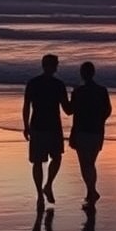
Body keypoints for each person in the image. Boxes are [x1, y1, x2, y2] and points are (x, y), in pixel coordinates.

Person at [23, 53, 71, 210]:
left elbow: (26, 106)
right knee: (53, 158)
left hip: (38, 126)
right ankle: (45, 188)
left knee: (41, 161)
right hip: (51, 127)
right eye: (55, 65)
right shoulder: (58, 85)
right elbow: (68, 110)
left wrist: (26, 125)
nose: (55, 67)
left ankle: (43, 190)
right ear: (54, 67)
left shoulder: (33, 83)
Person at [67, 61, 112, 207]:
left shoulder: (78, 92)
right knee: (90, 163)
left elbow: (69, 111)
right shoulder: (102, 90)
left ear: (82, 74)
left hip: (81, 131)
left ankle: (91, 192)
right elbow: (108, 111)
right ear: (93, 73)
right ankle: (91, 192)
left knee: (85, 164)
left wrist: (70, 95)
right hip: (97, 131)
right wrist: (99, 120)